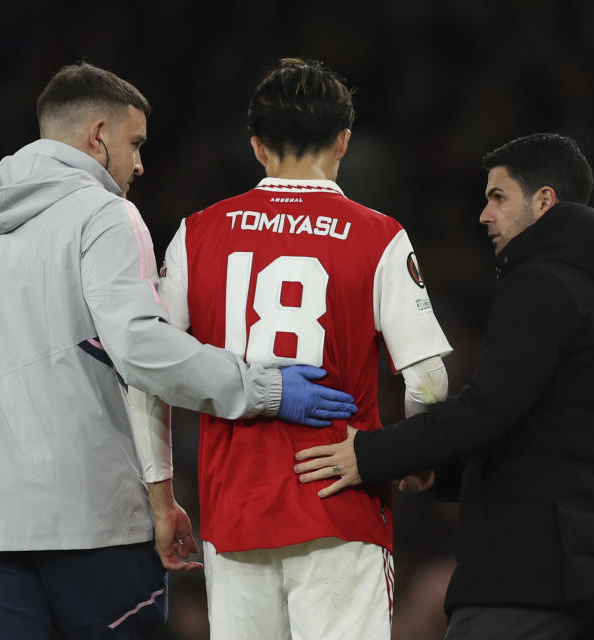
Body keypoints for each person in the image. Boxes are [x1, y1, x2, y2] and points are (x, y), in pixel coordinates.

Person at [0, 62, 358, 640]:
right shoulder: (103, 213)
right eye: (135, 144)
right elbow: (143, 350)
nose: (138, 164)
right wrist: (267, 389)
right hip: (94, 521)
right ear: (97, 135)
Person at [127, 58, 453, 640]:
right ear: (344, 141)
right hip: (340, 505)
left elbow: (149, 372)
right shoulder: (378, 234)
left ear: (257, 147)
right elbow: (427, 377)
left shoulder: (198, 232)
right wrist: (413, 456)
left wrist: (161, 499)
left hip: (234, 514)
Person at [295, 133, 594, 639]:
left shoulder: (541, 282)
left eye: (498, 197)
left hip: (526, 579)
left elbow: (488, 409)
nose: (485, 215)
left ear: (544, 200)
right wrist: (440, 470)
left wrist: (374, 453)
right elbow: (549, 437)